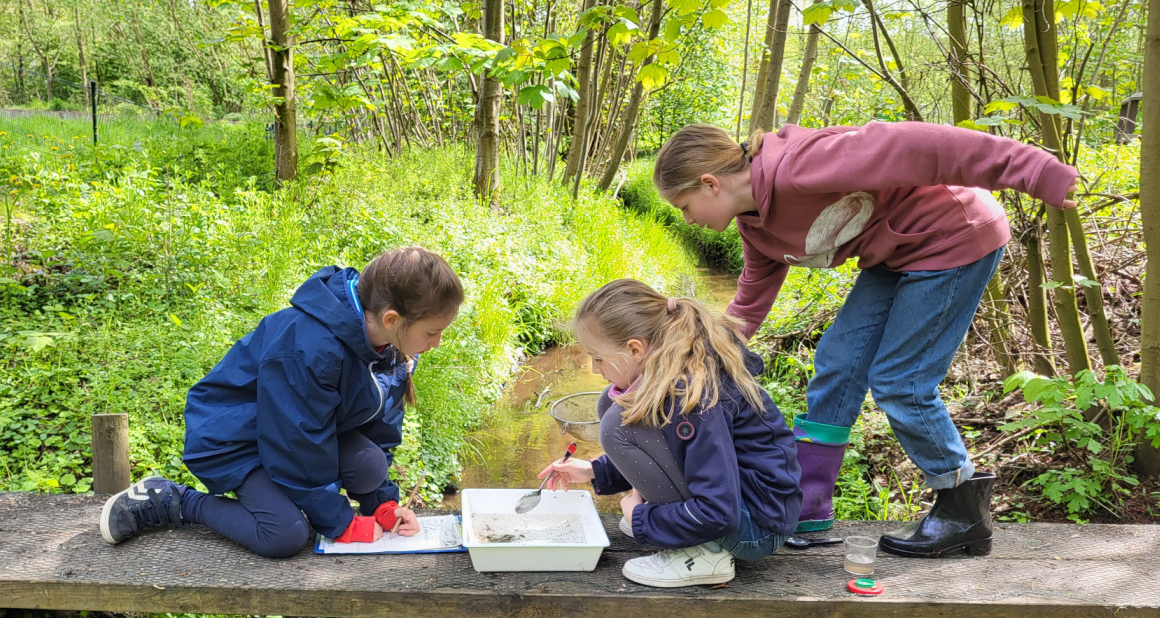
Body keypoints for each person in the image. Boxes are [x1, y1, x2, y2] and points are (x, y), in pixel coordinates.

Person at [651, 121, 1080, 557]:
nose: (687, 219)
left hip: (954, 234)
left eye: (684, 206)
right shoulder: (755, 228)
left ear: (710, 184)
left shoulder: (800, 165)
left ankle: (962, 509)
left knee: (901, 383)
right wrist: (695, 355)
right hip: (897, 254)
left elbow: (923, 146)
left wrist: (1033, 169)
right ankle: (806, 503)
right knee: (838, 364)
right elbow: (748, 303)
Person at [98, 246, 464, 557]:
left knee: (369, 464)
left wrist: (382, 504)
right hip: (235, 438)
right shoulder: (311, 349)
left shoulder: (390, 348)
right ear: (391, 318)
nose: (437, 342)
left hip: (287, 434)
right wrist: (340, 524)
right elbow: (296, 445)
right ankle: (172, 499)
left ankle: (298, 497)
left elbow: (378, 430)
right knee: (284, 535)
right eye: (433, 332)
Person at [537, 279, 802, 588]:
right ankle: (683, 527)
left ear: (634, 349)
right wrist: (595, 471)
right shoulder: (671, 371)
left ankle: (703, 554)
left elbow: (719, 512)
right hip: (737, 503)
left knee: (615, 425)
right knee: (612, 403)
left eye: (597, 358)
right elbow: (667, 451)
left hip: (756, 526)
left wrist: (642, 519)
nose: (595, 369)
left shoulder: (692, 396)